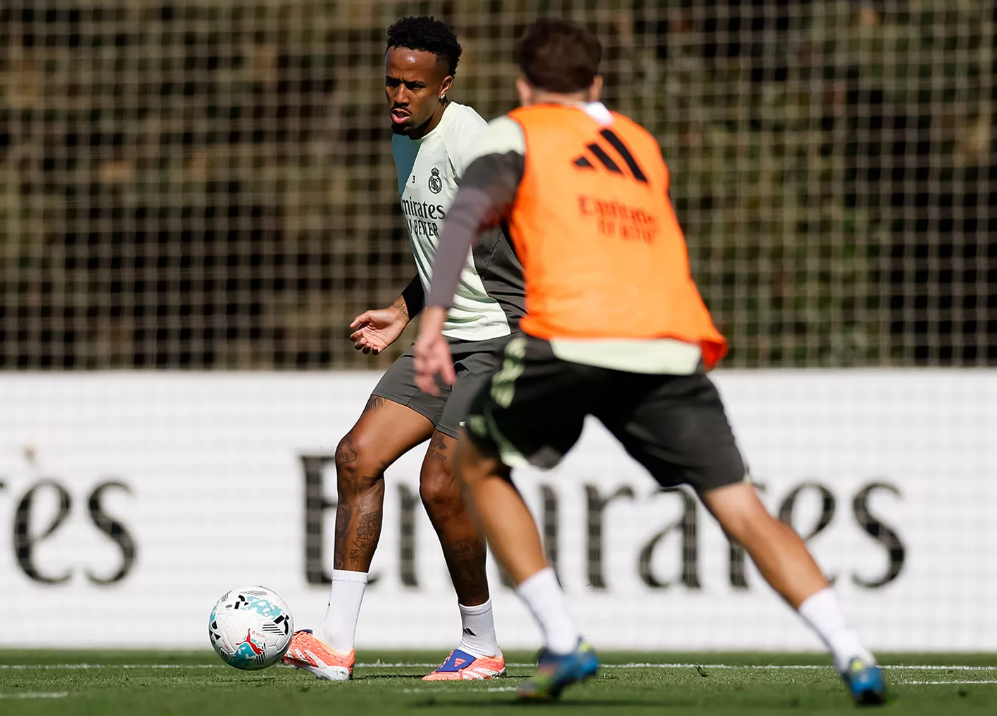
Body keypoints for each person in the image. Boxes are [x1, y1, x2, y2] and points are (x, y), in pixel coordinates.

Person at [413, 17, 888, 705]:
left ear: (522, 84)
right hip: (668, 341)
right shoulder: (638, 142)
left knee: (474, 462)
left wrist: (432, 324)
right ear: (597, 84)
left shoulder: (514, 131)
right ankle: (852, 652)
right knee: (743, 509)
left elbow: (463, 217)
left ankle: (561, 637)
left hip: (569, 336)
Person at [283, 16, 523, 682]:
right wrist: (400, 311)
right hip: (442, 339)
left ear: (444, 86)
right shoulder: (403, 142)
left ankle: (480, 643)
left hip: (504, 341)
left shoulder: (469, 139)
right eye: (391, 81)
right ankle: (334, 642)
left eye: (414, 85)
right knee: (357, 455)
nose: (398, 95)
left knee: (441, 485)